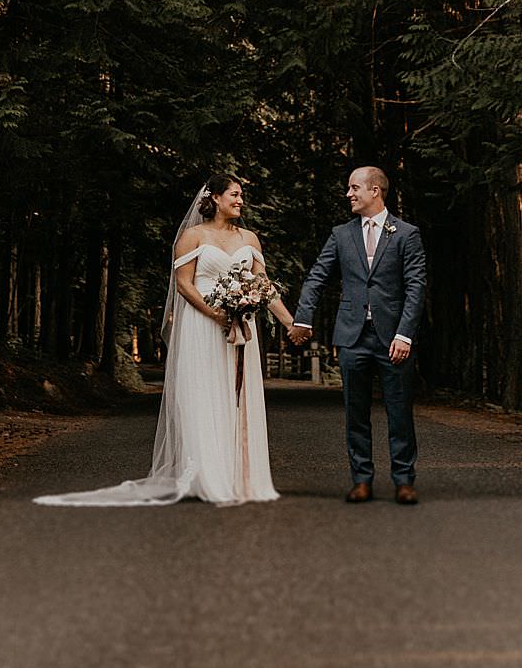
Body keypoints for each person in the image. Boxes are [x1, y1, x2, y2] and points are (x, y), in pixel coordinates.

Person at [35, 173, 293, 506]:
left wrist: (290, 322)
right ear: (214, 197)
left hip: (241, 328)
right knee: (205, 395)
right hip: (203, 326)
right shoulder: (192, 236)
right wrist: (214, 313)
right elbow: (184, 285)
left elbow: (264, 286)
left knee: (237, 398)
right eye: (234, 194)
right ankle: (209, 477)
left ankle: (241, 476)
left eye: (241, 195)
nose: (240, 200)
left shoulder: (251, 239)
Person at [289, 166, 427, 505]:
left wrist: (405, 335)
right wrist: (303, 318)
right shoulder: (340, 234)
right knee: (355, 413)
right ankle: (361, 479)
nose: (348, 194)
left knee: (399, 412)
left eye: (354, 188)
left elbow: (415, 286)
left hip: (392, 338)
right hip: (351, 337)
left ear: (375, 191)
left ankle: (404, 480)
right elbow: (317, 276)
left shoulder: (406, 233)